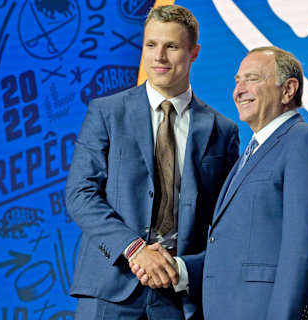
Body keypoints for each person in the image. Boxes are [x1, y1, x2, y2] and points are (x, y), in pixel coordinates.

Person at [65, 5, 239, 320]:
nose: (158, 56)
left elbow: (229, 222)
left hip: (179, 295)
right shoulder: (106, 113)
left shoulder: (221, 130)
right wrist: (134, 249)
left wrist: (187, 268)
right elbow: (80, 194)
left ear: (193, 52)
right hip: (110, 288)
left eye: (171, 46)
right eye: (151, 45)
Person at [202, 46, 308, 319]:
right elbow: (234, 251)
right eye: (237, 81)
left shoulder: (305, 142)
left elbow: (303, 250)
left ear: (288, 89)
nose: (238, 91)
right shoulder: (249, 154)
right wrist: (180, 269)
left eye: (251, 79)